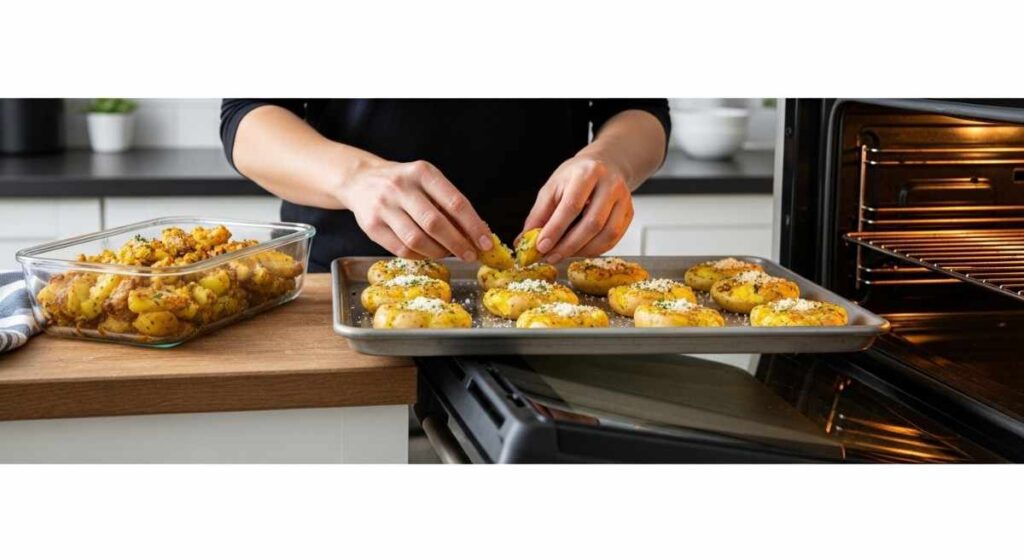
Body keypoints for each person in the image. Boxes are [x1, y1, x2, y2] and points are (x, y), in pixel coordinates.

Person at [220, 99, 670, 272]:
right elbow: (247, 120)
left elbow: (641, 110)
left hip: (549, 281)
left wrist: (608, 160)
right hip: (345, 278)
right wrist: (355, 179)